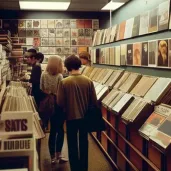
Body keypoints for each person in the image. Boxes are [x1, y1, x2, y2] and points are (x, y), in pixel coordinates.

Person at [57, 55, 98, 171]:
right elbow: (94, 101)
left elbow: (60, 102)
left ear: (67, 66)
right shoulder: (88, 81)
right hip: (85, 117)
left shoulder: (64, 82)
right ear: (79, 65)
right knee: (84, 142)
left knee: (72, 143)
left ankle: (74, 167)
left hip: (70, 117)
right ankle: (84, 167)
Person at [40, 56, 68, 164]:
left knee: (52, 131)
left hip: (48, 104)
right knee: (60, 130)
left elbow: (41, 88)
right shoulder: (60, 76)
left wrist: (49, 93)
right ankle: (59, 154)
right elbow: (61, 91)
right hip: (58, 104)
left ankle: (52, 157)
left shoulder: (43, 74)